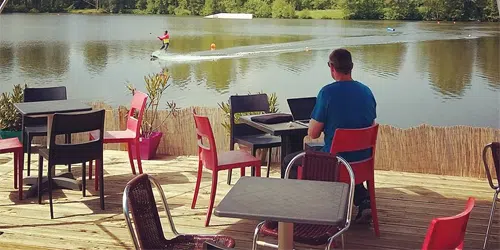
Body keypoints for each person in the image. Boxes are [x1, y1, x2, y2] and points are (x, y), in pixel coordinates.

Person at [281, 48, 377, 223]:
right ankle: (363, 200)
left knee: (291, 161)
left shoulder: (327, 93)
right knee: (338, 154)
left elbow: (313, 133)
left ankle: (288, 215)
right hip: (363, 161)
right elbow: (369, 124)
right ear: (352, 67)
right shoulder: (367, 91)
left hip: (336, 164)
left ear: (332, 67)